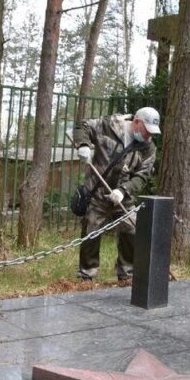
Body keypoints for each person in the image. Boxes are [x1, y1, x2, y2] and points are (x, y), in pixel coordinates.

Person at [73, 106, 160, 283]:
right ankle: (86, 275)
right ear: (136, 122)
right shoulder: (108, 126)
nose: (148, 136)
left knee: (133, 230)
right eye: (147, 130)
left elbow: (142, 176)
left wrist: (123, 190)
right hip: (97, 194)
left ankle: (127, 273)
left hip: (123, 198)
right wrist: (83, 145)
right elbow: (82, 126)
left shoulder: (148, 148)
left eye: (152, 132)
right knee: (91, 232)